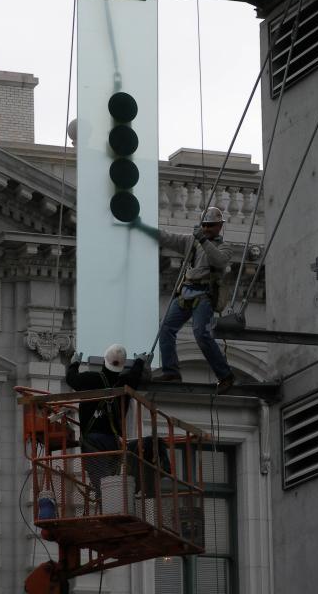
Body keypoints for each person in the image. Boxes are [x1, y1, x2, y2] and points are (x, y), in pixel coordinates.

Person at [131, 206, 235, 393]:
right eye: (204, 225)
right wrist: (141, 227)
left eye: (210, 226)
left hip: (204, 295)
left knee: (201, 335)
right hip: (186, 292)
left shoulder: (223, 247)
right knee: (166, 328)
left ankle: (225, 375)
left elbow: (219, 261)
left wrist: (203, 240)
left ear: (219, 226)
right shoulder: (191, 242)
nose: (206, 229)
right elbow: (166, 237)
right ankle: (172, 372)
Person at [65, 345, 168, 500]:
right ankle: (117, 505)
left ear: (104, 361)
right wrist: (140, 361)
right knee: (112, 479)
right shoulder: (126, 382)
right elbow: (135, 374)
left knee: (102, 483)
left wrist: (74, 363)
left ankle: (110, 509)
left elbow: (72, 379)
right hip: (113, 442)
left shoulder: (91, 378)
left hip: (93, 442)